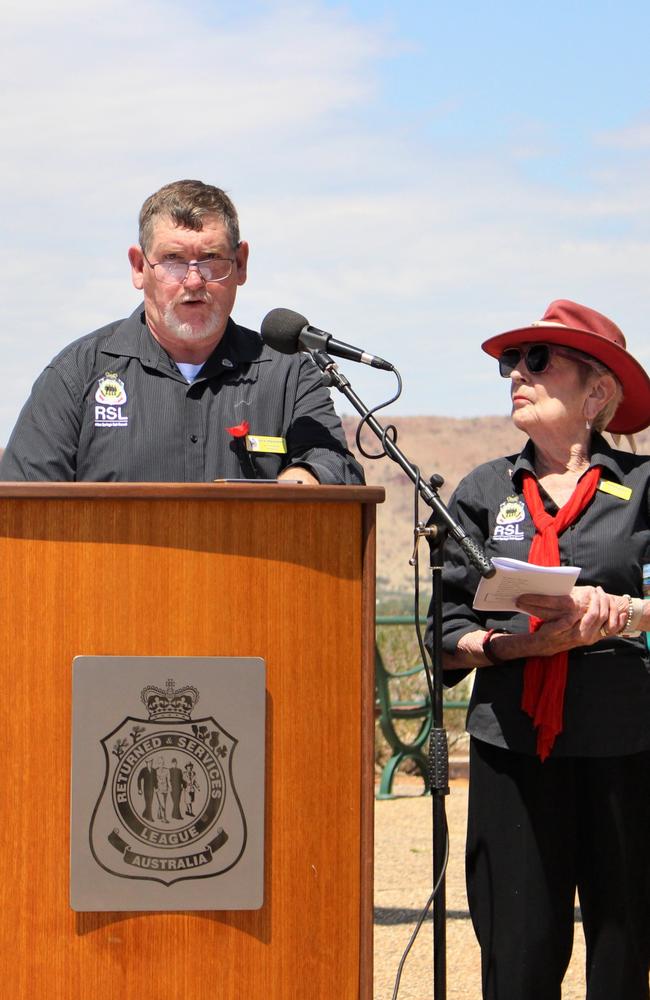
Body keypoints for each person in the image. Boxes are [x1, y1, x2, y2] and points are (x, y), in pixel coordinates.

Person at [433, 300, 650, 1000]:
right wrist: (514, 646)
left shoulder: (644, 489)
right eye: (511, 363)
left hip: (625, 743)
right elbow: (444, 628)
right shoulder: (482, 490)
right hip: (513, 749)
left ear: (597, 394)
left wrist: (626, 612)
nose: (515, 377)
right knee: (518, 950)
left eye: (538, 361)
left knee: (624, 944)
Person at [0, 180, 363, 485]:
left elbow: (337, 466)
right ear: (140, 267)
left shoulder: (287, 373)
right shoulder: (76, 375)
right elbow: (23, 505)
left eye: (211, 259)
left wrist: (304, 477)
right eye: (173, 260)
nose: (193, 281)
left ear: (240, 264)